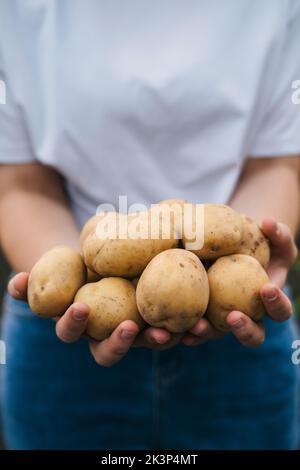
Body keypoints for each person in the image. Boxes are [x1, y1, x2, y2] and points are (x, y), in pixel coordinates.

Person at [0, 0, 299, 450]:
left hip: (237, 342)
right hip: (62, 341)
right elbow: (19, 182)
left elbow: (276, 162)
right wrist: (62, 284)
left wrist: (253, 246)